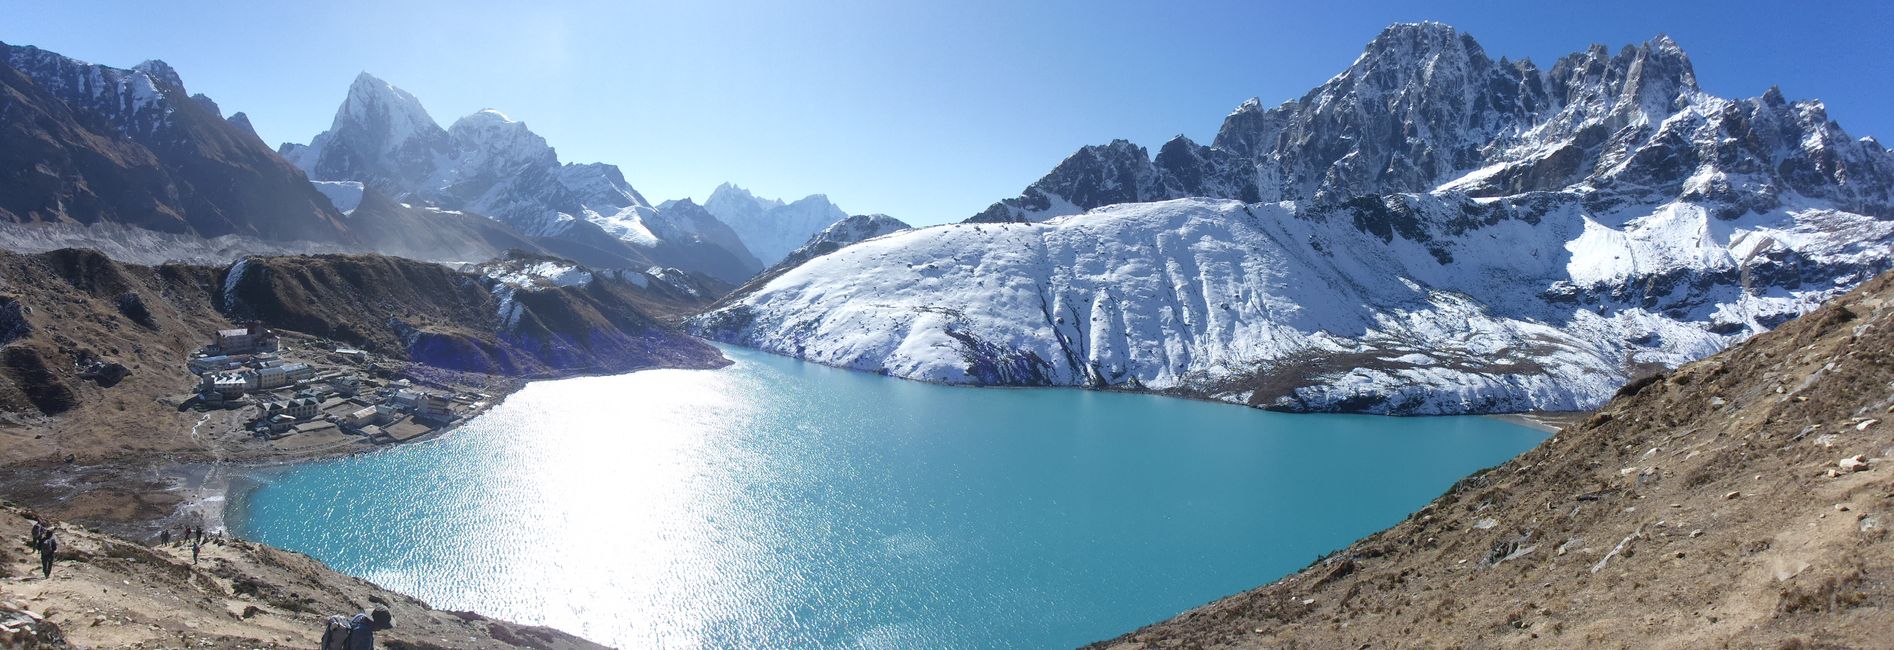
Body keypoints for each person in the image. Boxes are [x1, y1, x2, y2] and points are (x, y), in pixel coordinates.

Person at [321, 606, 393, 650]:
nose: (380, 629)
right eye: (381, 626)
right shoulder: (365, 635)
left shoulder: (360, 616)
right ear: (377, 624)